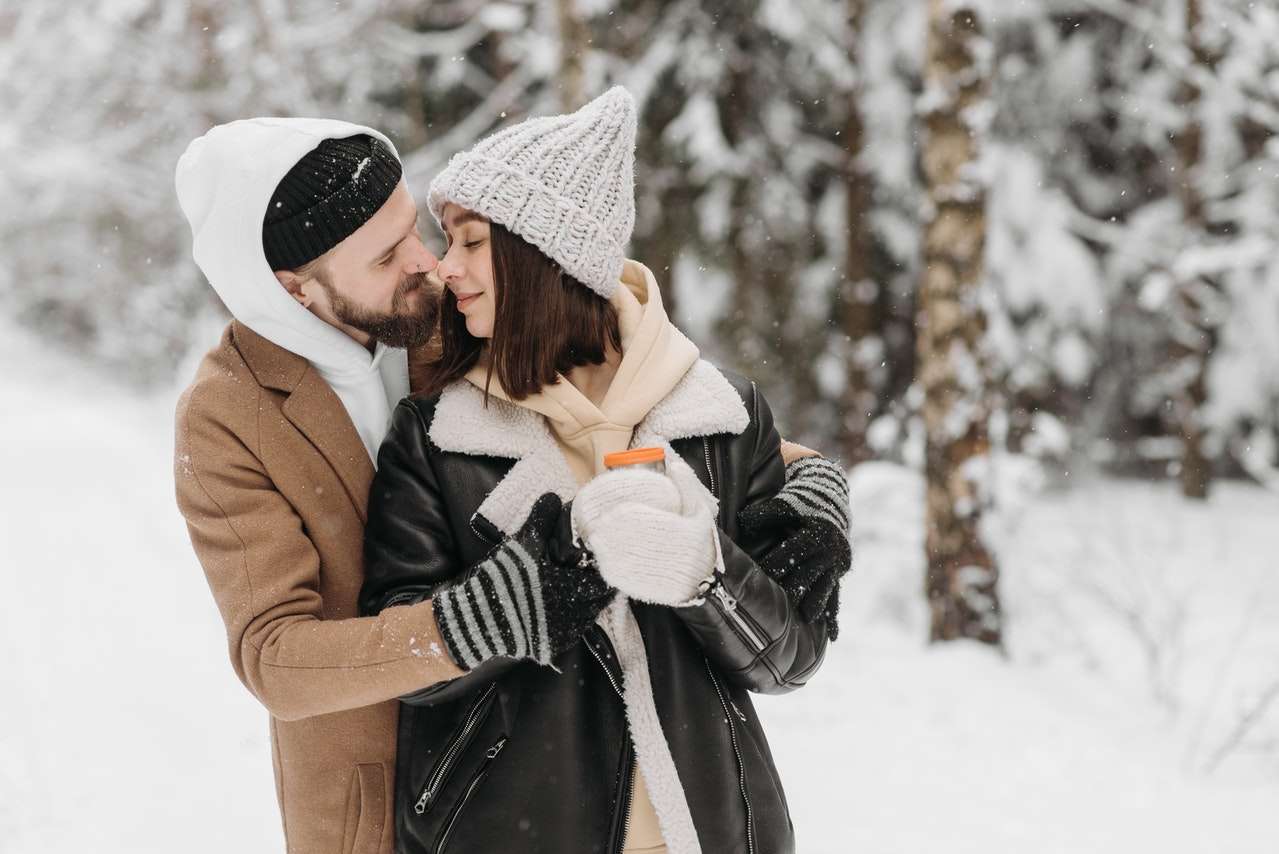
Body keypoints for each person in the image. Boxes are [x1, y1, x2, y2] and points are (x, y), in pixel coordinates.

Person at [361, 87, 852, 854]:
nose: (446, 268)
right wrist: (535, 583)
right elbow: (401, 663)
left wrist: (704, 574)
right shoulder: (435, 437)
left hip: (710, 832)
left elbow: (789, 661)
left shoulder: (722, 414)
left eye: (471, 241)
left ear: (544, 253)